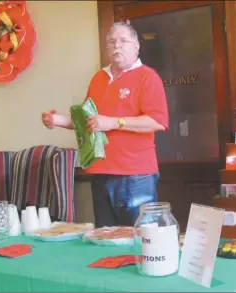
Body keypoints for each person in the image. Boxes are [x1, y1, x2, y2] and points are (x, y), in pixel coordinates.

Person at [41, 22, 169, 228]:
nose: (117, 45)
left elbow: (158, 121)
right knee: (107, 242)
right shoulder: (99, 78)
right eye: (111, 42)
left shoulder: (148, 77)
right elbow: (88, 121)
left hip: (135, 176)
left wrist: (114, 122)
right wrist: (57, 120)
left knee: (142, 241)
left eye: (123, 41)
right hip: (100, 172)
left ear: (136, 46)